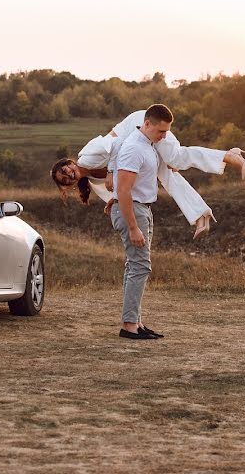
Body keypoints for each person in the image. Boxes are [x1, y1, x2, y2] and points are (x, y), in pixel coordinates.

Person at [51, 109, 245, 238]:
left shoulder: (86, 154)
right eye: (65, 179)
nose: (68, 174)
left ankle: (229, 155)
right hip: (138, 145)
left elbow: (117, 144)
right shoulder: (93, 181)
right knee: (166, 175)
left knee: (175, 158)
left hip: (139, 125)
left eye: (64, 170)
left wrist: (111, 171)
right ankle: (200, 215)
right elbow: (122, 189)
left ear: (69, 162)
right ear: (70, 185)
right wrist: (113, 199)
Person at [111, 103, 176, 339]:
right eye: (161, 131)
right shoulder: (134, 148)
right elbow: (124, 189)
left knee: (135, 266)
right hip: (134, 211)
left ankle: (135, 321)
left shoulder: (147, 145)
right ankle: (129, 325)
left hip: (142, 208)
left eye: (167, 131)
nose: (164, 136)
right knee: (140, 266)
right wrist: (132, 226)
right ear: (147, 124)